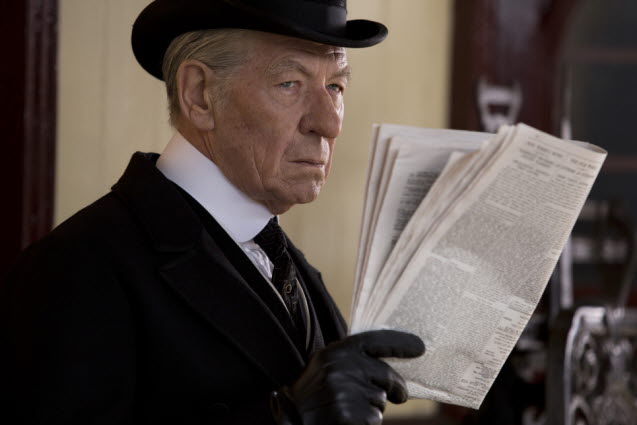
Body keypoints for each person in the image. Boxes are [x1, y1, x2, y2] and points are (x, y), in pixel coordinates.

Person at [0, 1, 425, 424]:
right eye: (290, 83)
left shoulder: (286, 261)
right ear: (199, 95)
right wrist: (286, 417)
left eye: (335, 87)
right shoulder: (75, 267)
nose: (329, 123)